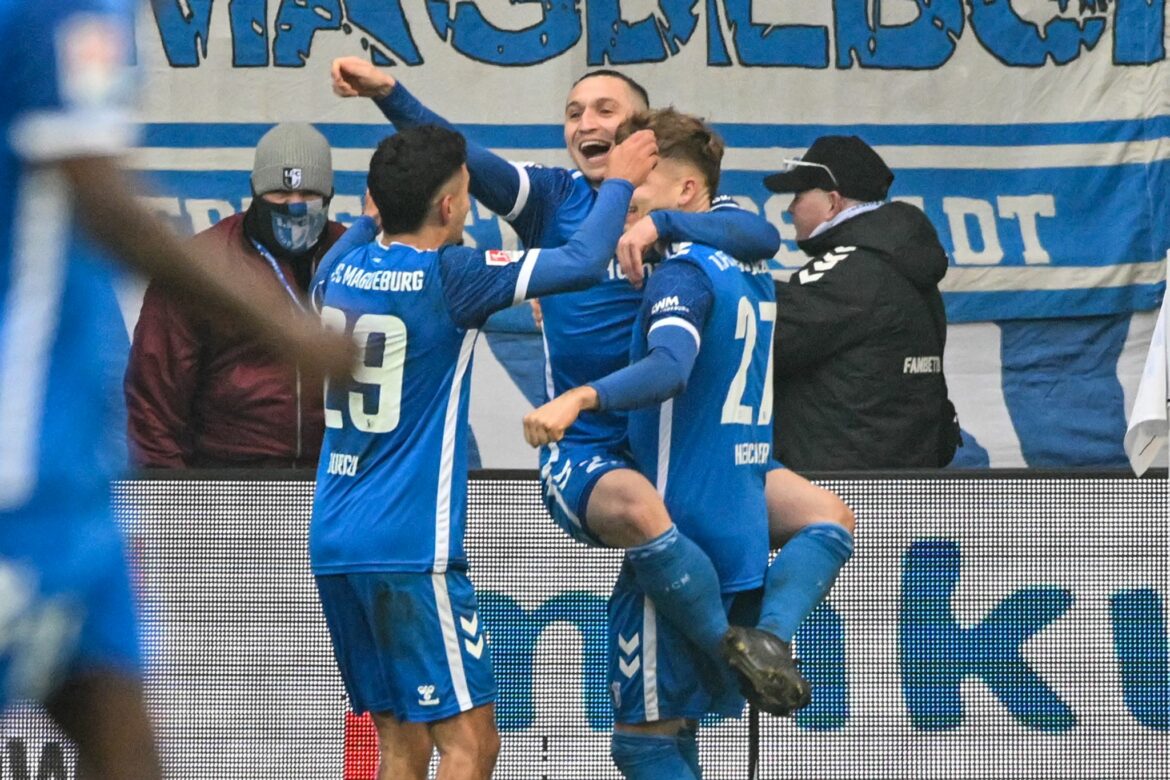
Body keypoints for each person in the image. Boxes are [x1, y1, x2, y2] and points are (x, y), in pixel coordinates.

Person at [328, 59, 835, 715]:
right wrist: (390, 94)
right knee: (640, 508)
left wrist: (663, 223)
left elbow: (760, 235)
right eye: (573, 113)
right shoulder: (554, 198)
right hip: (589, 453)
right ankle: (729, 649)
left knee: (829, 515)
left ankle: (765, 644)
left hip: (685, 456)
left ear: (644, 135)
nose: (586, 124)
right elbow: (462, 157)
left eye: (604, 111)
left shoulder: (686, 202)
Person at [0, 3, 353, 778]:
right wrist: (286, 330)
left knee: (132, 752)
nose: (297, 212)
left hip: (79, 475)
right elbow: (100, 196)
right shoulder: (57, 9)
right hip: (22, 463)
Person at [308, 123, 658, 780]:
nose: (469, 206)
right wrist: (619, 185)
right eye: (466, 194)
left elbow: (372, 217)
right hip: (410, 548)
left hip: (335, 541)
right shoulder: (451, 274)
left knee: (402, 742)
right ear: (447, 207)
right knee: (472, 743)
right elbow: (583, 261)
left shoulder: (336, 268)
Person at [524, 109, 857, 776]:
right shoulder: (752, 265)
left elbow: (670, 368)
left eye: (636, 200)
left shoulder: (682, 272)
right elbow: (757, 232)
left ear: (682, 195)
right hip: (738, 524)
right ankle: (771, 639)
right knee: (832, 516)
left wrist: (583, 396)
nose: (625, 216)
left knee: (642, 740)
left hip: (681, 542)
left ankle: (745, 644)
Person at [125, 122, 347, 469]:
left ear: (330, 195)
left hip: (337, 481)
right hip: (229, 476)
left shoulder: (357, 258)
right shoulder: (203, 266)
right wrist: (166, 498)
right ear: (254, 193)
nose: (295, 206)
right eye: (280, 193)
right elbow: (155, 405)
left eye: (309, 195)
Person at [763, 135, 960, 469]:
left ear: (832, 202)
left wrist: (727, 278)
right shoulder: (900, 262)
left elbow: (766, 336)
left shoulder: (851, 269)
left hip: (843, 487)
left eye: (798, 195)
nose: (789, 209)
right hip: (903, 477)